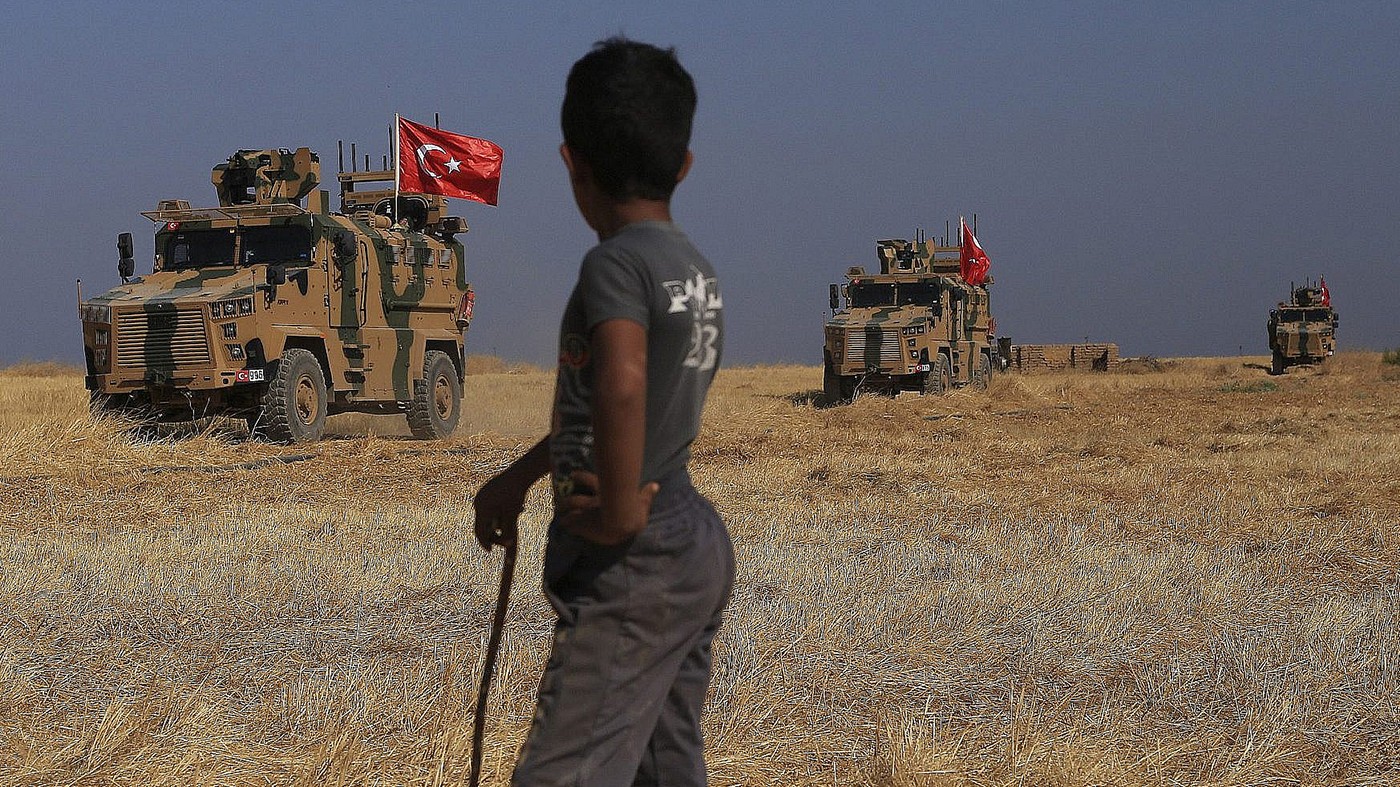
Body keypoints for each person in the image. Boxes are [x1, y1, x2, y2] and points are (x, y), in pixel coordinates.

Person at [472, 37, 734, 787]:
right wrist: (521, 476)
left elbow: (619, 380)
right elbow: (624, 400)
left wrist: (618, 512)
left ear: (571, 164)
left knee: (563, 772)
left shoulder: (614, 263)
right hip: (692, 539)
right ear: (683, 165)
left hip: (635, 556)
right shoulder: (694, 269)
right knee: (665, 764)